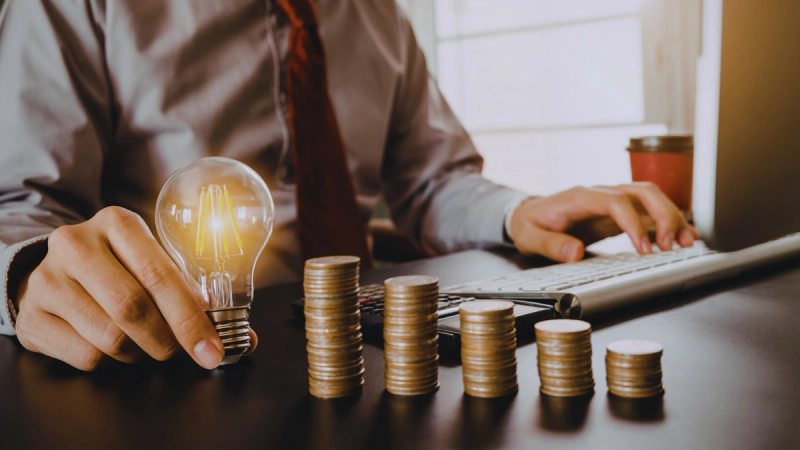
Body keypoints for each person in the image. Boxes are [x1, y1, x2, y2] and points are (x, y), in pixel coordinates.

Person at [0, 0, 696, 371]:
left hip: (369, 352)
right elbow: (22, 210)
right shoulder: (73, 5)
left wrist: (519, 212)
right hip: (177, 363)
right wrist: (28, 275)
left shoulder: (377, 13)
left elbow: (434, 182)